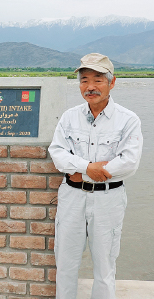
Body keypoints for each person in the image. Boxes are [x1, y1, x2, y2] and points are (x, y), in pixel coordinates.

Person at [48, 53, 143, 299]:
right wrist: (88, 167)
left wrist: (81, 172)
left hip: (108, 200)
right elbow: (57, 153)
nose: (90, 87)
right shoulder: (69, 117)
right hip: (71, 197)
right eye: (84, 80)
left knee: (105, 267)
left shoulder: (128, 120)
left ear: (112, 83)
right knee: (66, 265)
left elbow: (129, 162)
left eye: (98, 80)